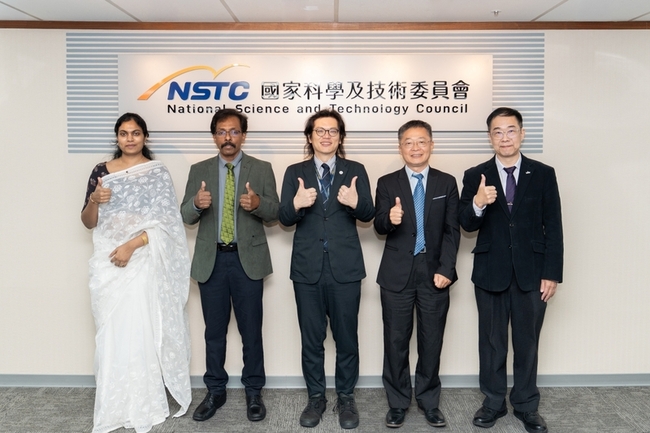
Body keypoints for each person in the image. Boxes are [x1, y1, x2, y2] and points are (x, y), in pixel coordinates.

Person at [81, 112, 192, 433]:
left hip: (142, 261)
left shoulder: (155, 172)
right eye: (124, 133)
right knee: (111, 334)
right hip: (107, 263)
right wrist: (94, 199)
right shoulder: (101, 172)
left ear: (145, 137)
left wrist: (132, 245)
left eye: (136, 133)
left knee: (141, 331)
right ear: (117, 137)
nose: (129, 139)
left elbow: (168, 225)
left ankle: (145, 403)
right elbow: (88, 222)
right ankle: (114, 404)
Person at [458, 107, 563, 433]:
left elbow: (553, 226)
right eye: (498, 132)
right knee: (492, 342)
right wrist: (478, 203)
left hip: (533, 272)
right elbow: (465, 223)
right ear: (490, 137)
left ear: (521, 133)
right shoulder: (475, 175)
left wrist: (552, 273)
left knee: (527, 342)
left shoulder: (543, 173)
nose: (505, 137)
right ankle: (492, 402)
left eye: (511, 130)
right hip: (491, 271)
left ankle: (526, 404)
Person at [180, 108, 279, 423]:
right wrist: (196, 204)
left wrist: (258, 204)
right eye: (222, 132)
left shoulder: (261, 168)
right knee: (214, 332)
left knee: (251, 331)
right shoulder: (199, 170)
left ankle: (254, 392)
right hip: (211, 261)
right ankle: (215, 391)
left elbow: (276, 213)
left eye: (234, 131)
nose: (228, 137)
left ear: (243, 136)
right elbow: (185, 215)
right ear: (214, 137)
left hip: (246, 260)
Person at [279, 109, 375, 429]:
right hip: (307, 270)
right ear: (310, 137)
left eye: (333, 131)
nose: (326, 136)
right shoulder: (295, 172)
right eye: (320, 131)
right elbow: (284, 218)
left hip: (345, 269)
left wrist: (355, 202)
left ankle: (345, 397)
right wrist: (296, 204)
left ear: (340, 137)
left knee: (347, 339)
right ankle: (316, 398)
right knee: (312, 340)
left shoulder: (355, 170)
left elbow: (369, 214)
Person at [374, 120, 460, 429]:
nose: (415, 147)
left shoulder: (446, 183)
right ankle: (397, 402)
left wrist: (446, 269)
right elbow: (379, 226)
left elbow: (452, 231)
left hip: (434, 272)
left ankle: (428, 401)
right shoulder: (387, 183)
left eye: (421, 141)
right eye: (408, 142)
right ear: (400, 148)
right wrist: (390, 218)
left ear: (431, 145)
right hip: (396, 273)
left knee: (431, 339)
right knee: (395, 340)